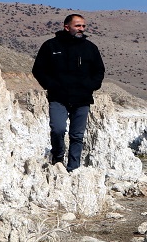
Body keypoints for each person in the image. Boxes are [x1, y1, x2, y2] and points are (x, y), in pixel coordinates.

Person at [32, 14, 105, 171]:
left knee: (77, 136)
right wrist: (51, 85)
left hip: (82, 98)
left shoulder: (90, 48)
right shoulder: (51, 46)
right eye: (78, 26)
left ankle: (73, 168)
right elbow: (38, 69)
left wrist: (91, 86)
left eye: (83, 26)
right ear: (67, 27)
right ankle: (58, 158)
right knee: (58, 129)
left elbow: (99, 70)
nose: (82, 29)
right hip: (58, 97)